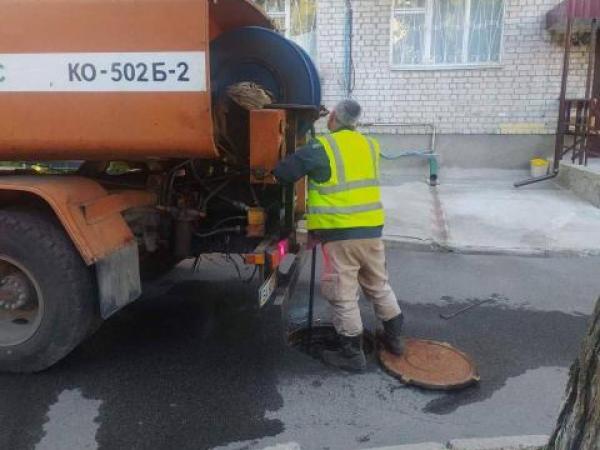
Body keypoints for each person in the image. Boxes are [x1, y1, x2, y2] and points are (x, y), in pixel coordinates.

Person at [273, 99, 405, 372]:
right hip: (372, 230)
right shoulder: (370, 145)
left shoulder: (322, 147)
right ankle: (394, 340)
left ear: (332, 117)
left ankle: (351, 355)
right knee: (378, 285)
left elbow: (284, 173)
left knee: (343, 293)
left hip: (341, 234)